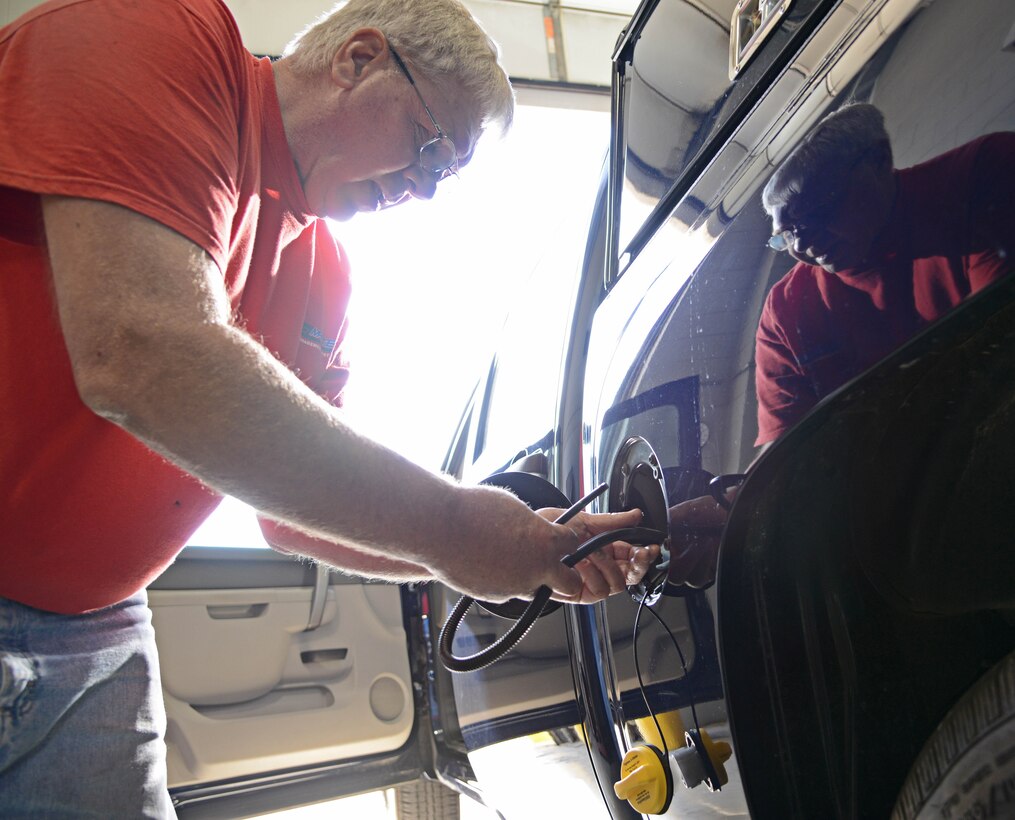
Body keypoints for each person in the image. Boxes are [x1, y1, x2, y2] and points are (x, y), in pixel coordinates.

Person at [0, 0, 659, 814]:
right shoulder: (156, 38)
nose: (422, 190)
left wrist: (516, 556)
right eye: (429, 149)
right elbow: (139, 349)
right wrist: (454, 529)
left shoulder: (323, 275)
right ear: (359, 58)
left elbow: (292, 519)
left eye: (444, 178)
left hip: (98, 636)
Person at [667, 103, 1015, 587]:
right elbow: (785, 463)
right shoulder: (788, 315)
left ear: (879, 162)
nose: (804, 244)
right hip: (937, 551)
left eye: (819, 209)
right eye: (786, 233)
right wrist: (733, 513)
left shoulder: (983, 180)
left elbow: (1000, 369)